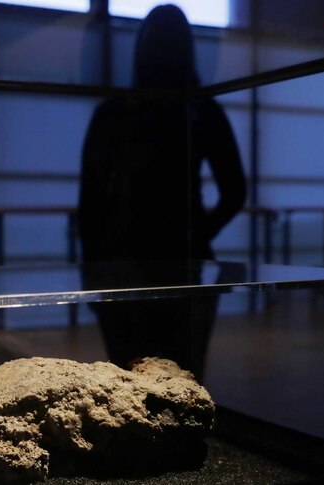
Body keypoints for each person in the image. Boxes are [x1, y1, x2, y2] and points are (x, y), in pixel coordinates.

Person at [78, 5, 246, 379]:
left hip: (124, 259)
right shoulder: (201, 110)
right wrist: (197, 232)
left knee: (127, 385)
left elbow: (90, 204)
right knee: (180, 382)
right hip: (181, 259)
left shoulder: (116, 112)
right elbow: (235, 191)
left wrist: (93, 269)